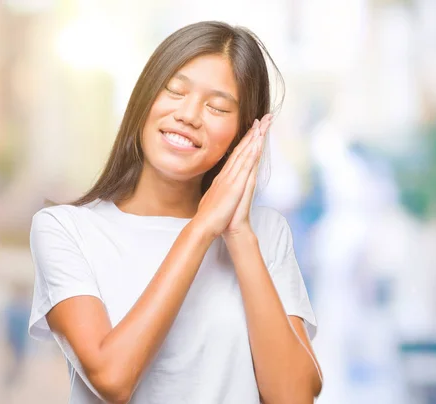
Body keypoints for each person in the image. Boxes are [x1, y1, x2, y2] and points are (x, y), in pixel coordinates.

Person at [27, 21, 322, 404]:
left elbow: (295, 397)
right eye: (175, 91)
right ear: (145, 97)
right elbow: (112, 378)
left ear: (243, 134)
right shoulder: (66, 229)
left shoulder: (265, 234)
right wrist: (201, 229)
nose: (189, 114)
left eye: (216, 107)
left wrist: (237, 234)